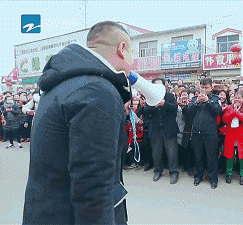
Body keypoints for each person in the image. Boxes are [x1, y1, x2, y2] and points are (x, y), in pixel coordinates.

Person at [23, 21, 134, 224]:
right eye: (132, 54)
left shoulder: (64, 84)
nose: (132, 63)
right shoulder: (98, 91)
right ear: (122, 49)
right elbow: (93, 187)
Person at [187, 77, 222, 189]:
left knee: (211, 157)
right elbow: (188, 112)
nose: (204, 89)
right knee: (198, 156)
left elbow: (218, 111)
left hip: (210, 133)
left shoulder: (215, 98)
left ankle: (213, 179)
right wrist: (196, 102)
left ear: (211, 87)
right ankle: (198, 176)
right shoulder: (194, 99)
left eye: (206, 87)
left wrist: (208, 101)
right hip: (197, 132)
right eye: (202, 87)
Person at [144, 78, 180, 184]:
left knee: (172, 152)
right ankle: (158, 171)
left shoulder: (169, 96)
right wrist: (153, 107)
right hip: (155, 130)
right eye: (156, 86)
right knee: (156, 152)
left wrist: (165, 104)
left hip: (169, 129)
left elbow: (175, 108)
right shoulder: (149, 97)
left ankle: (173, 172)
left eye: (161, 85)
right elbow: (145, 111)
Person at [222, 91, 243, 185]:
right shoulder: (229, 107)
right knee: (229, 155)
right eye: (236, 97)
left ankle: (242, 174)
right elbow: (224, 118)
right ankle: (229, 173)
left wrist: (237, 113)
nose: (237, 99)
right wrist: (233, 112)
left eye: (239, 97)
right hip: (230, 134)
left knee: (242, 155)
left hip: (241, 135)